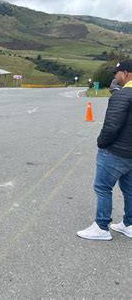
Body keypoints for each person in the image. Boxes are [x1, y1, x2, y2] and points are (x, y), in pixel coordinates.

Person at [77, 59, 132, 240]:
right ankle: (129, 224)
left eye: (117, 73)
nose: (115, 77)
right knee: (129, 189)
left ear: (126, 73)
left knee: (102, 187)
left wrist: (101, 143)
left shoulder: (122, 96)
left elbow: (111, 126)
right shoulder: (122, 94)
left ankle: (101, 227)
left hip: (116, 151)